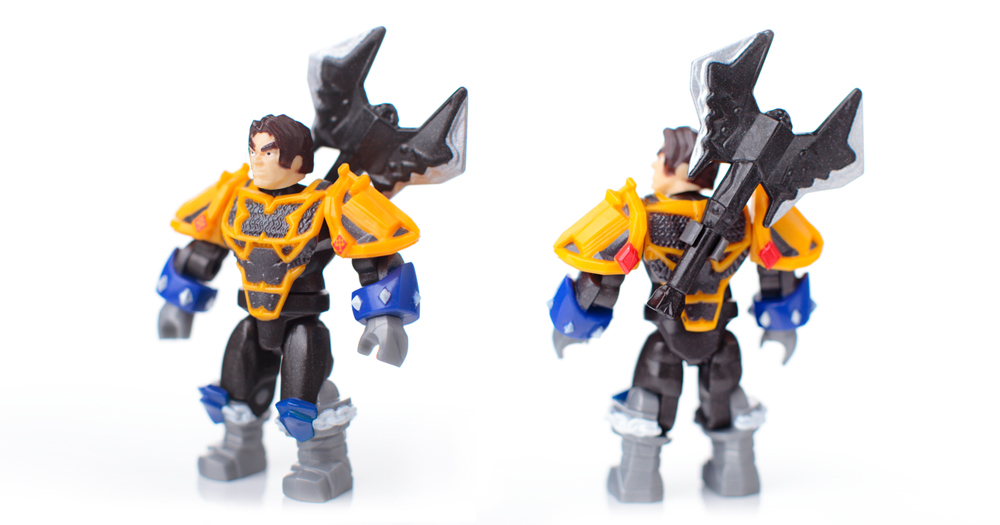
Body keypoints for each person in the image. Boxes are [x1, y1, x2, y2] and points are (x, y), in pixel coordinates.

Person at [157, 114, 420, 502]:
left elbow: (374, 258)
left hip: (302, 324)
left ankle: (325, 462)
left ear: (297, 161)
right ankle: (240, 447)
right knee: (236, 387)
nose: (256, 159)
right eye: (253, 150)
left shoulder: (327, 203)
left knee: (305, 399)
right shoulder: (235, 198)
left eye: (268, 151)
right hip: (253, 320)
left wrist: (384, 316)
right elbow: (203, 251)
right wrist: (179, 300)